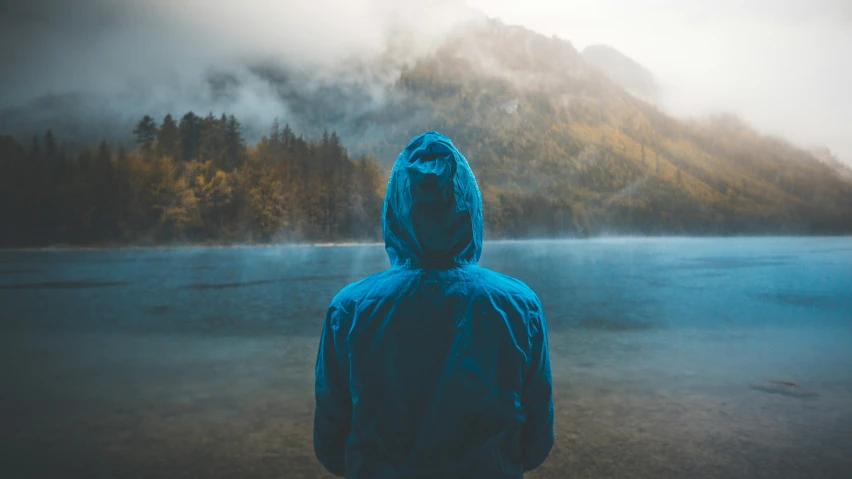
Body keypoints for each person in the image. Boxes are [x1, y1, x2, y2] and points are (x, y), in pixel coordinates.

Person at [313, 131, 553, 478]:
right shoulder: (520, 305)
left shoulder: (348, 310)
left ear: (394, 211)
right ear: (470, 207)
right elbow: (535, 444)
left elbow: (330, 445)